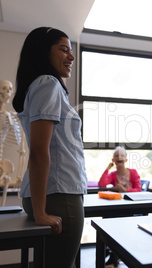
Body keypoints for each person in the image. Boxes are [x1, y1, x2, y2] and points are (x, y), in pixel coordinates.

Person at [12, 27, 87, 268]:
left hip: (52, 194)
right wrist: (41, 211)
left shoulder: (41, 86)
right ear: (43, 53)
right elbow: (38, 152)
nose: (71, 57)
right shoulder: (48, 83)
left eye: (72, 51)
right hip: (59, 195)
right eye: (64, 50)